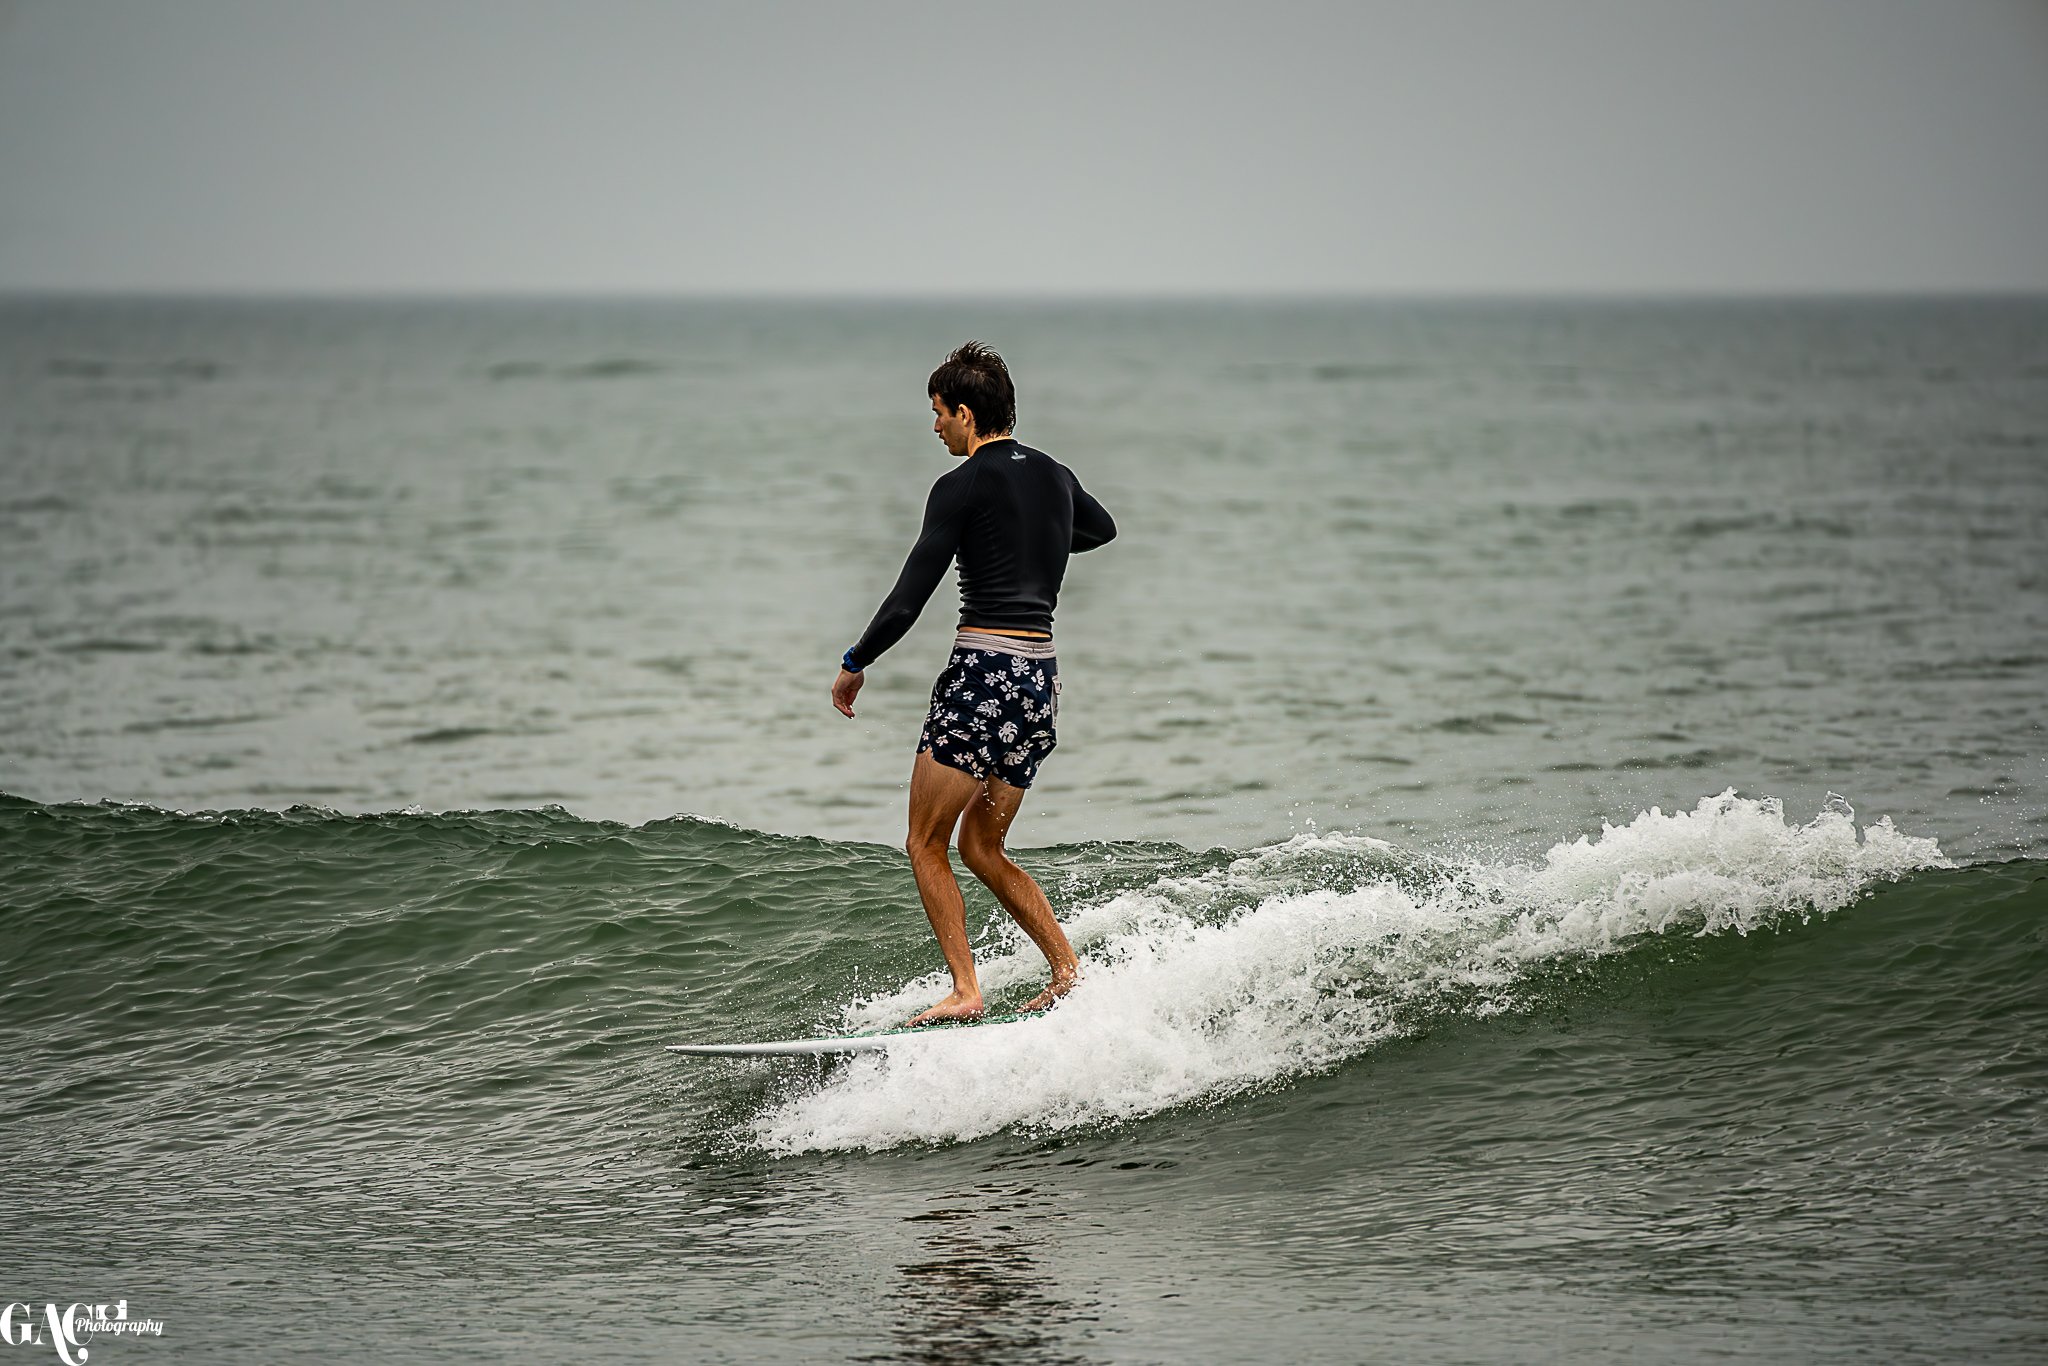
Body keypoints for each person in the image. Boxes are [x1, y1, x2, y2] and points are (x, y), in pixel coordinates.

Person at [831, 341, 1117, 1027]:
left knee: (924, 843)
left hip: (983, 676)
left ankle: (965, 990)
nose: (934, 428)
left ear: (966, 413)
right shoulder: (1055, 474)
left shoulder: (960, 487)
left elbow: (910, 594)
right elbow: (1100, 529)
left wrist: (855, 660)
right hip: (1038, 684)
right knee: (982, 847)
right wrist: (1035, 536)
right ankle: (1067, 970)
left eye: (938, 414)